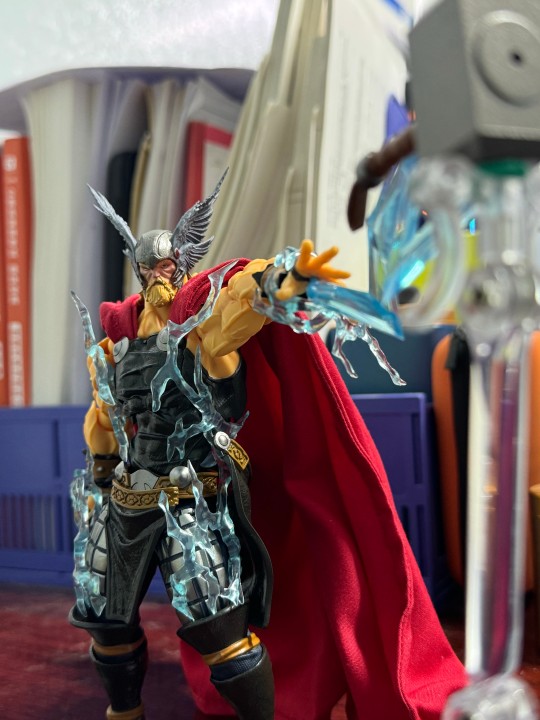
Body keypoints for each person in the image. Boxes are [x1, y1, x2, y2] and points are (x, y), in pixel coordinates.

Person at [70, 179, 466, 720]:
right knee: (104, 618)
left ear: (180, 265)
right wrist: (100, 473)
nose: (160, 278)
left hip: (189, 499)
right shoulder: (119, 339)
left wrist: (276, 282)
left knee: (220, 629)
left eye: (167, 267)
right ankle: (124, 711)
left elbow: (238, 300)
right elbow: (104, 417)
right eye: (150, 270)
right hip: (128, 499)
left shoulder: (198, 325)